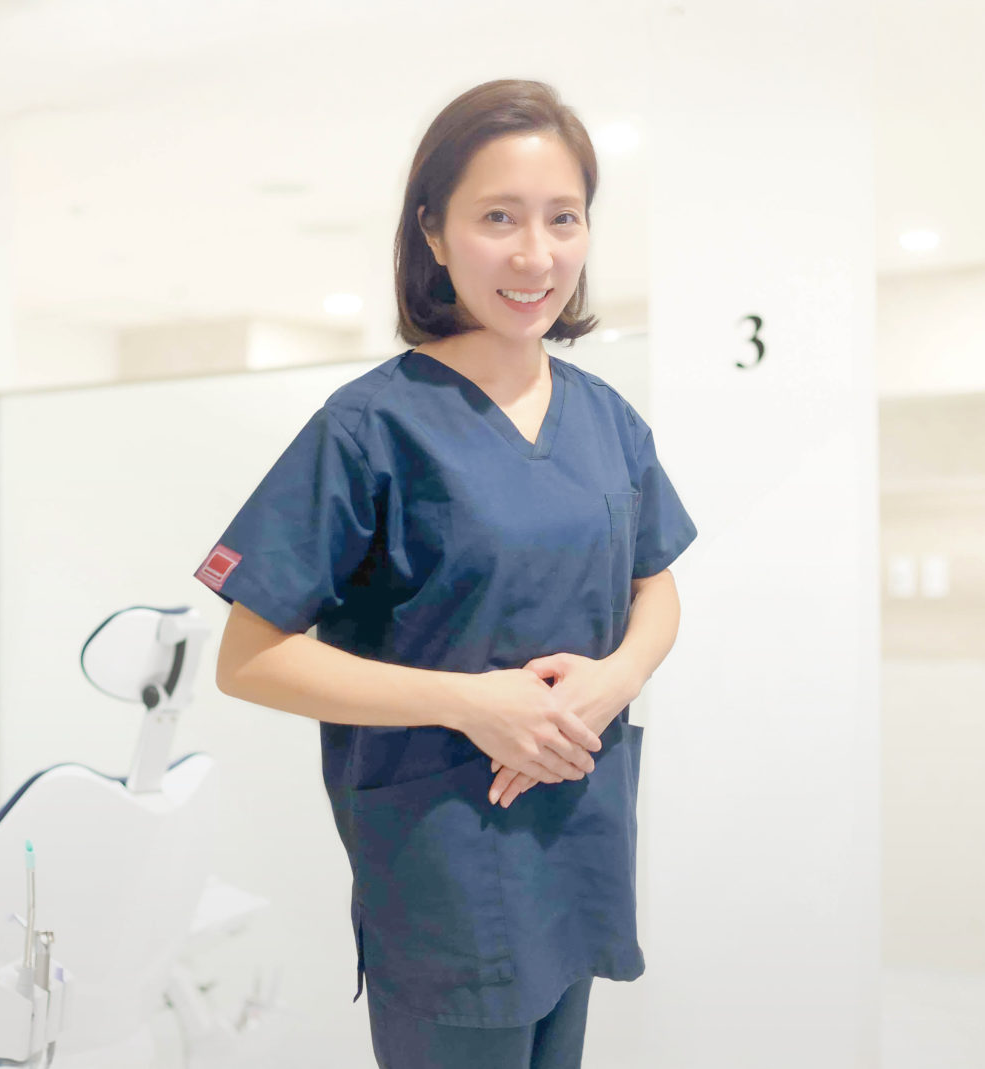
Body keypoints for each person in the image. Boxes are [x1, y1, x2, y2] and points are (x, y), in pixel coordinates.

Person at [193, 79, 697, 1068]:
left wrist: (618, 676)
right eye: (498, 218)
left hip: (575, 836)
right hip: (449, 868)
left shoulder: (605, 419)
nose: (534, 254)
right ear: (432, 231)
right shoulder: (370, 427)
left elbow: (655, 581)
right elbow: (249, 658)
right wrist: (473, 703)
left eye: (562, 218)